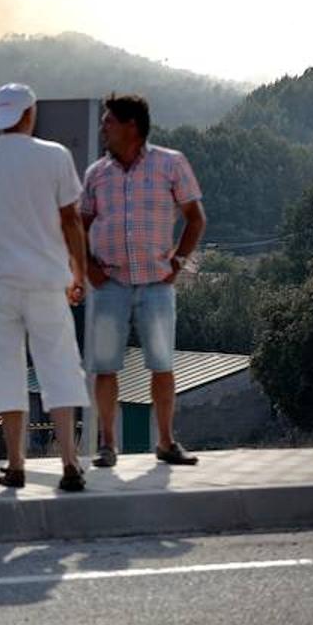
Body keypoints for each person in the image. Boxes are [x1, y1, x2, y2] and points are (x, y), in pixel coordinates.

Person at [0, 83, 89, 492]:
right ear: (30, 114)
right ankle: (70, 463)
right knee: (58, 367)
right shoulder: (54, 156)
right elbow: (70, 219)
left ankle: (15, 464)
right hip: (46, 280)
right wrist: (78, 270)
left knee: (5, 370)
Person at [82, 93, 206, 468]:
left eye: (109, 121)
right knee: (105, 365)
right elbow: (79, 225)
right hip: (110, 284)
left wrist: (179, 260)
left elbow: (195, 217)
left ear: (131, 126)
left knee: (162, 363)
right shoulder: (96, 174)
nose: (103, 128)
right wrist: (88, 267)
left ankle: (166, 442)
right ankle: (107, 444)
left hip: (156, 284)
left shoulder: (171, 164)